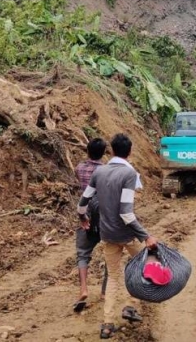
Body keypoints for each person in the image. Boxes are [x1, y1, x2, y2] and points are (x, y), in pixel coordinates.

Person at [77, 133, 158, 339]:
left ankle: (107, 324)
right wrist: (146, 236)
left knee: (113, 277)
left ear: (111, 151)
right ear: (130, 152)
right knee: (143, 265)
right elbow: (126, 213)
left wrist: (83, 219)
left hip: (107, 234)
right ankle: (131, 306)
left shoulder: (100, 171)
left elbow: (82, 202)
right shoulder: (129, 174)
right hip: (127, 234)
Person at [73, 138, 108, 313]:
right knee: (111, 253)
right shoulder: (106, 171)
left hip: (85, 216)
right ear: (104, 153)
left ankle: (84, 289)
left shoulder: (79, 168)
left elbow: (82, 189)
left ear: (87, 151)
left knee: (83, 254)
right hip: (105, 218)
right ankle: (104, 291)